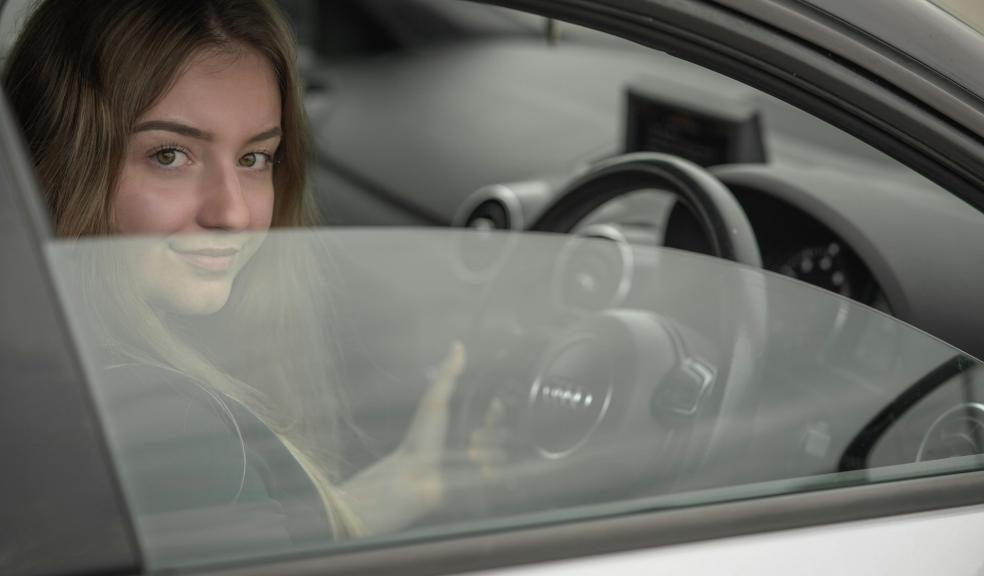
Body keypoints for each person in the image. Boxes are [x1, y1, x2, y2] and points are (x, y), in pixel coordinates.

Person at [2, 0, 465, 559]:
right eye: (169, 156)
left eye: (254, 159)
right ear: (64, 159)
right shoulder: (164, 428)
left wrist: (400, 489)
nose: (233, 214)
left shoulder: (58, 376)